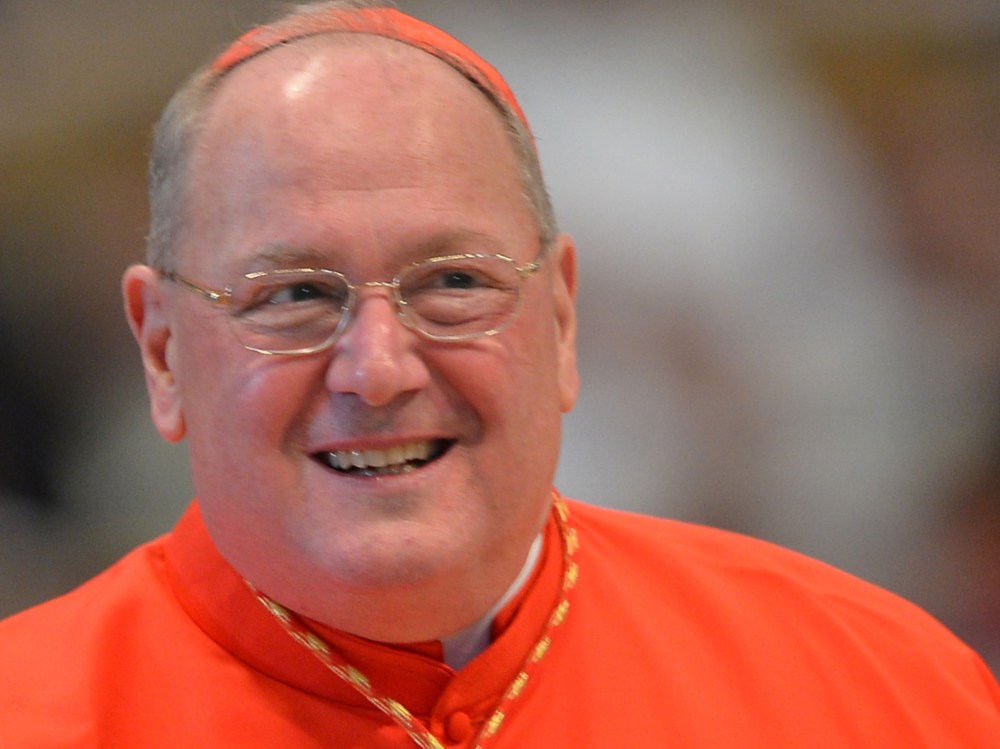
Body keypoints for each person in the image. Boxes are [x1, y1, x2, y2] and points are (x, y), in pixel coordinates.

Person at [1, 1, 997, 746]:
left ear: (560, 319)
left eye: (453, 281)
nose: (378, 368)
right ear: (164, 349)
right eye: (295, 294)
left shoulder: (871, 683)